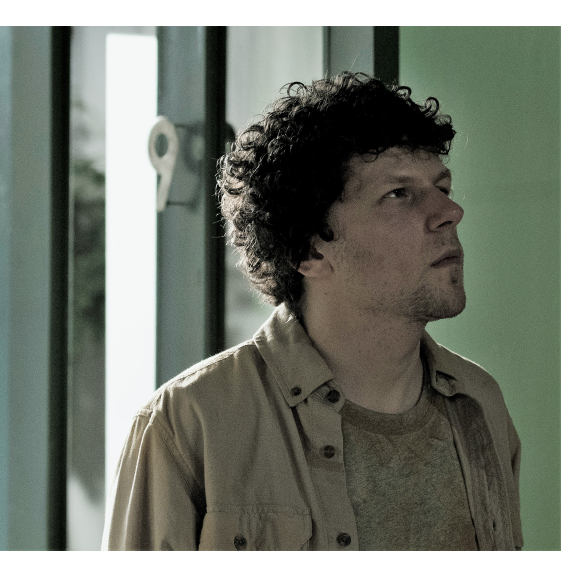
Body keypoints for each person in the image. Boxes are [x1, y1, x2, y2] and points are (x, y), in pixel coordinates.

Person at [103, 73, 522, 550]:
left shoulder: (480, 404)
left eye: (442, 186)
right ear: (310, 251)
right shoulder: (189, 425)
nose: (450, 211)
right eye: (399, 193)